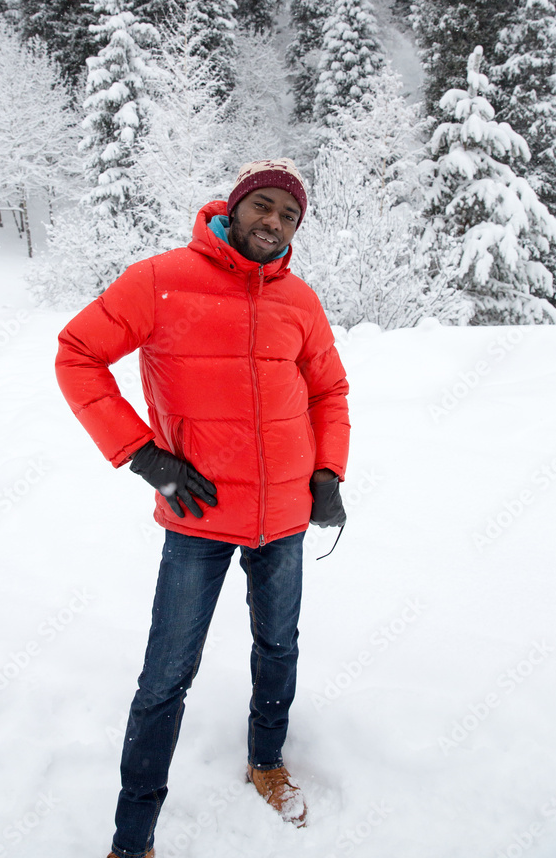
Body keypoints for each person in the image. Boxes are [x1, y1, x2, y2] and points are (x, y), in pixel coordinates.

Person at [55, 158, 350, 858]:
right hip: (197, 515)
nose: (273, 222)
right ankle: (133, 838)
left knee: (278, 647)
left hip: (281, 516)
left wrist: (328, 472)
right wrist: (140, 453)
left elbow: (328, 392)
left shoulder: (298, 301)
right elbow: (76, 354)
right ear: (234, 207)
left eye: (288, 215)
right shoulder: (159, 281)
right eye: (263, 207)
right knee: (165, 676)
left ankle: (267, 762)